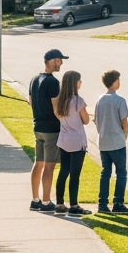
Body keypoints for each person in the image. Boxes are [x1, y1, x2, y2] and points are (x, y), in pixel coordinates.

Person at [29, 49, 67, 212]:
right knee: (49, 166)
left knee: (39, 163)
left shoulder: (34, 79)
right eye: (59, 60)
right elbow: (56, 108)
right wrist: (66, 122)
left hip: (38, 127)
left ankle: (35, 200)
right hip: (51, 129)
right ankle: (46, 202)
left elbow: (30, 101)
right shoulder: (53, 82)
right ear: (51, 61)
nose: (61, 63)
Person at [53, 70, 91, 216]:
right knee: (75, 174)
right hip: (77, 142)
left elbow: (59, 117)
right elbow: (86, 120)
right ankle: (74, 204)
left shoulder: (59, 101)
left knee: (63, 171)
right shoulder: (78, 101)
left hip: (64, 140)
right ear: (75, 83)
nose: (81, 83)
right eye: (79, 81)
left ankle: (60, 203)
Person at [94, 69, 128, 214]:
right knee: (121, 172)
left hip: (103, 141)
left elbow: (96, 120)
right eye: (118, 80)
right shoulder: (120, 101)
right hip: (117, 141)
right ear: (115, 82)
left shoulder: (100, 99)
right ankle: (118, 203)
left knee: (106, 172)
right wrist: (125, 135)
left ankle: (102, 203)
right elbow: (124, 121)